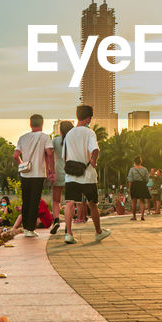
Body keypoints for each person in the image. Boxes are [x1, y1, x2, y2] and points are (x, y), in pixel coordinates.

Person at [62, 104, 111, 245]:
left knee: (70, 203)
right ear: (89, 118)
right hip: (87, 175)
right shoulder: (89, 133)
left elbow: (64, 157)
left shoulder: (69, 134)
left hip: (71, 175)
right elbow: (95, 149)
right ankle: (98, 232)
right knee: (93, 204)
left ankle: (69, 234)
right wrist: (93, 160)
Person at [14, 114, 55, 237]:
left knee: (26, 201)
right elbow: (49, 153)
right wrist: (51, 170)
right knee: (34, 201)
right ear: (42, 124)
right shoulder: (45, 137)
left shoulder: (23, 138)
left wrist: (23, 164)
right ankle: (30, 229)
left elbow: (15, 156)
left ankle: (26, 227)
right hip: (38, 173)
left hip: (25, 174)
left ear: (30, 124)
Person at [50, 120, 73, 234]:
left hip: (58, 171)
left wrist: (50, 171)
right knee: (70, 201)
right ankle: (68, 226)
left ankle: (56, 220)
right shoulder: (73, 141)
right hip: (71, 172)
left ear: (60, 130)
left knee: (55, 200)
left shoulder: (55, 141)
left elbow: (49, 154)